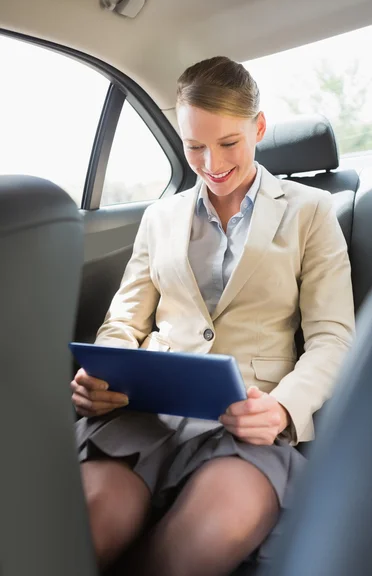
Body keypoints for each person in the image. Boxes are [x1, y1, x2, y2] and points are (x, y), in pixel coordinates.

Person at [72, 56, 355, 576]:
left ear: (259, 127)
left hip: (250, 425)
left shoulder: (310, 211)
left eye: (228, 143)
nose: (211, 162)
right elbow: (124, 324)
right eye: (194, 146)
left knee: (188, 553)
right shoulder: (160, 217)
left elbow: (333, 337)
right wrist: (103, 374)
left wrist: (284, 409)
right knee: (89, 528)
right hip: (146, 415)